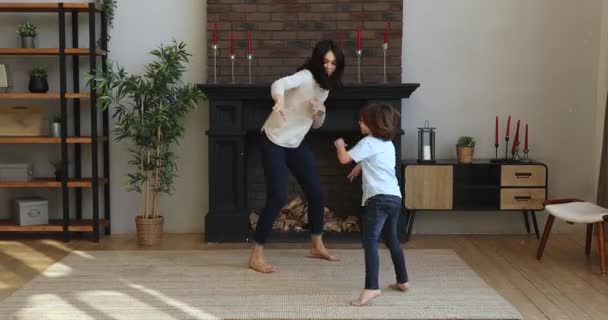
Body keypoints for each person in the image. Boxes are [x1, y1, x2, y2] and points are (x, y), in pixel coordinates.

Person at [249, 39, 346, 273]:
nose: (329, 67)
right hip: (273, 139)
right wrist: (279, 99)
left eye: (334, 63)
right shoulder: (305, 76)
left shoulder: (325, 87)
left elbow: (315, 126)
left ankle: (316, 245)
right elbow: (279, 83)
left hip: (295, 143)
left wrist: (321, 113)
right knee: (278, 195)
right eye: (325, 62)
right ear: (317, 60)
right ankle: (256, 254)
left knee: (316, 192)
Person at [334, 103, 409, 306]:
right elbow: (376, 161)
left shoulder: (368, 141)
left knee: (370, 241)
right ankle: (403, 280)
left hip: (377, 199)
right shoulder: (388, 144)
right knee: (392, 238)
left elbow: (343, 159)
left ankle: (371, 287)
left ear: (372, 124)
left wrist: (340, 144)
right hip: (394, 197)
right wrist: (359, 167)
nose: (359, 122)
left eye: (362, 120)